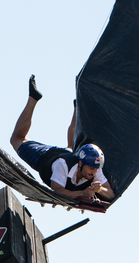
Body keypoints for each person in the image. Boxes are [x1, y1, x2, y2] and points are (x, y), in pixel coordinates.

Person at [9, 75, 115, 203]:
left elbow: (110, 194)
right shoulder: (63, 165)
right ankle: (33, 99)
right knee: (16, 139)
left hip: (67, 153)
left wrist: (99, 190)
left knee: (71, 147)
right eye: (91, 168)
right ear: (81, 163)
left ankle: (77, 107)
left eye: (96, 168)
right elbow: (57, 190)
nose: (93, 171)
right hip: (46, 156)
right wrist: (82, 193)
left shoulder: (95, 167)